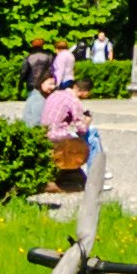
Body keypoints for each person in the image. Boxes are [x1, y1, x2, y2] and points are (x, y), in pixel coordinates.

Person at [38, 64, 88, 196]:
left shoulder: (54, 95)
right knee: (91, 138)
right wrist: (87, 121)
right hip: (58, 137)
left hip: (43, 133)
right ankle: (93, 172)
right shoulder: (73, 101)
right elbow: (81, 128)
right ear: (81, 91)